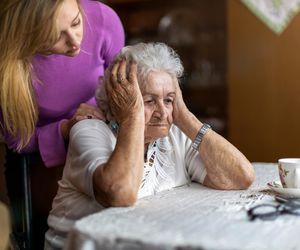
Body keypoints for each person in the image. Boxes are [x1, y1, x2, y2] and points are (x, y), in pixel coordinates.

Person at [45, 42, 255, 249]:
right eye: (149, 101)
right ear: (120, 100)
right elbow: (120, 193)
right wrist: (132, 116)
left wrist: (185, 117)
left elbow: (240, 176)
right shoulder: (90, 130)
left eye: (169, 100)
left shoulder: (173, 135)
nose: (163, 113)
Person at [0, 0, 124, 248]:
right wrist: (66, 129)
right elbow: (17, 139)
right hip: (36, 164)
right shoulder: (6, 55)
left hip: (98, 144)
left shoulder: (103, 19)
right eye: (53, 38)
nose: (75, 42)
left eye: (76, 23)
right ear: (26, 37)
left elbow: (121, 90)